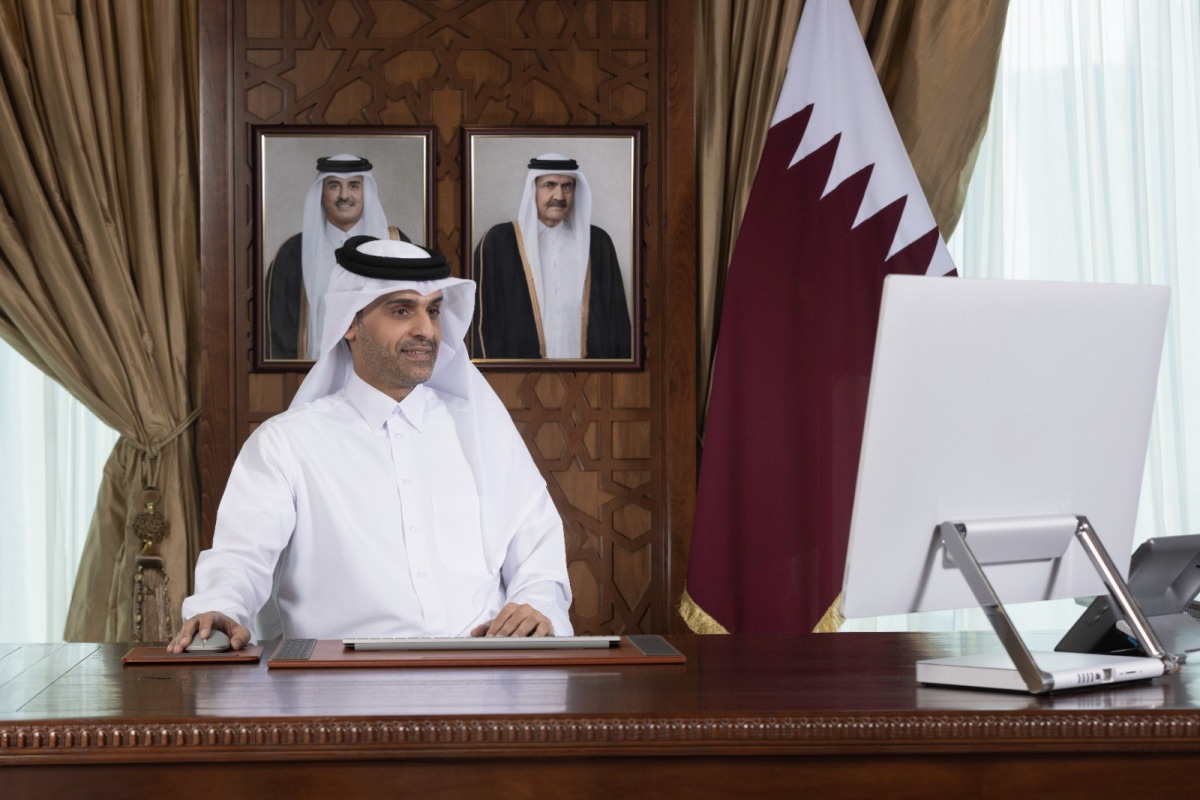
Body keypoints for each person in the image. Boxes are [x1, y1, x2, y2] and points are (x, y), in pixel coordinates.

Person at [169, 237, 573, 651]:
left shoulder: (482, 428)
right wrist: (220, 606)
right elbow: (241, 557)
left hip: (485, 684)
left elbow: (537, 552)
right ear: (350, 323)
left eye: (433, 311)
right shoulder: (286, 444)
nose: (426, 330)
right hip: (339, 691)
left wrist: (535, 604)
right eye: (402, 310)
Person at [471, 154, 632, 359]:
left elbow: (616, 320)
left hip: (587, 373)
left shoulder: (598, 243)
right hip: (519, 375)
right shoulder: (499, 242)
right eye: (549, 185)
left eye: (567, 186)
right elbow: (481, 321)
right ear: (533, 190)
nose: (560, 195)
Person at [264, 154, 408, 360]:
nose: (344, 195)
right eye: (333, 186)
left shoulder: (396, 245)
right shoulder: (292, 253)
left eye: (354, 186)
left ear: (366, 192)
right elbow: (278, 333)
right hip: (310, 374)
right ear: (321, 194)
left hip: (383, 376)